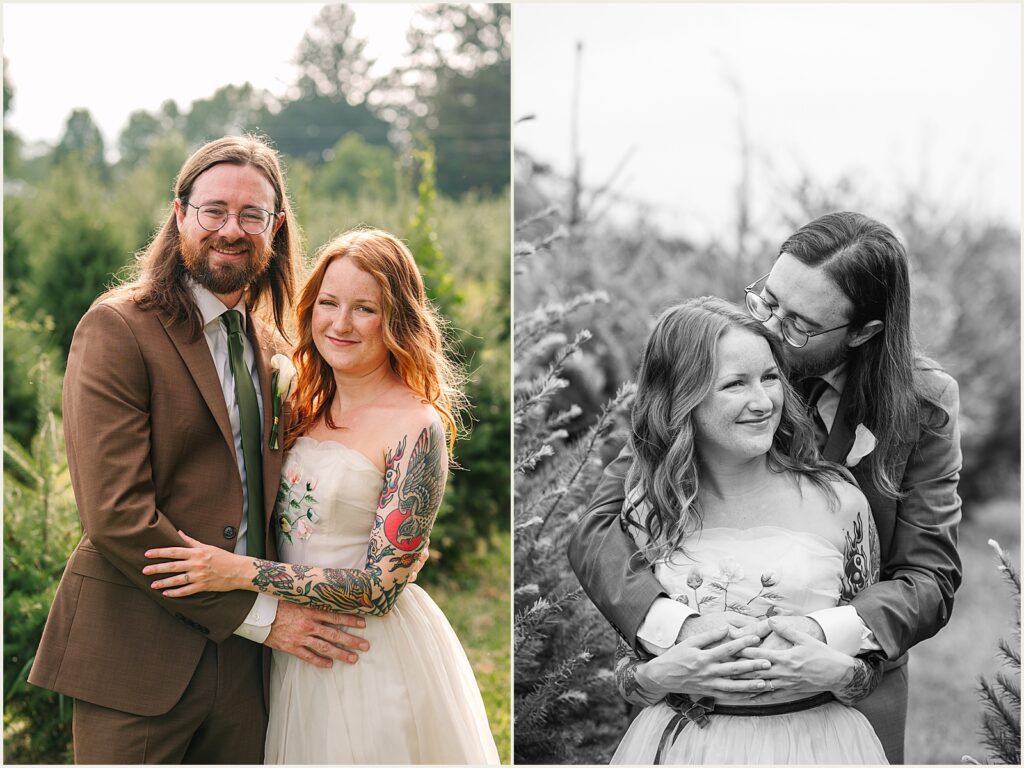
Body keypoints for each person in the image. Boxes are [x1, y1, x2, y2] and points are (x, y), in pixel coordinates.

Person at [568, 211, 962, 764]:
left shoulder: (921, 404)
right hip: (698, 713)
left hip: (846, 702)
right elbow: (599, 529)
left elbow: (929, 576)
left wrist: (823, 634)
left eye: (799, 323)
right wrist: (678, 627)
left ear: (863, 332)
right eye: (768, 300)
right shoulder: (723, 357)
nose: (771, 329)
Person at [28, 135, 370, 764]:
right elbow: (116, 515)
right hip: (139, 656)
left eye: (251, 215)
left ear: (276, 228)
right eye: (214, 210)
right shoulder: (119, 328)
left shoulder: (274, 344)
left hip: (250, 670)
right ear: (180, 213)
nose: (231, 230)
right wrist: (260, 616)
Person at [141, 228, 500, 764]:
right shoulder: (300, 403)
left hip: (363, 655)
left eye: (365, 309)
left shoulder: (415, 427)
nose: (341, 323)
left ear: (397, 319)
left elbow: (379, 590)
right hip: (287, 648)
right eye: (329, 303)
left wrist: (237, 572)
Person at [603, 297, 887, 763]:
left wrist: (836, 673)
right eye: (735, 384)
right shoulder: (650, 509)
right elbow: (626, 673)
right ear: (682, 396)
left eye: (770, 378)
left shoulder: (840, 502)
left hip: (814, 747)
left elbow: (870, 668)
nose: (763, 402)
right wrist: (662, 675)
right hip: (688, 748)